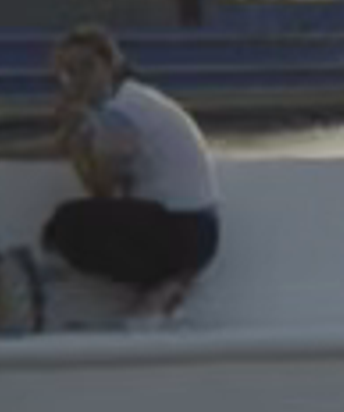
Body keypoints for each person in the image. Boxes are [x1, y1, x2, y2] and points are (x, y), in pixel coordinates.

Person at [38, 28, 221, 315]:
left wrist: (78, 142)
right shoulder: (133, 99)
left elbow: (102, 189)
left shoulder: (120, 112)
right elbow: (57, 147)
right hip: (197, 228)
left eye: (87, 67)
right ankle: (163, 285)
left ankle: (165, 282)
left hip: (180, 229)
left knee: (66, 224)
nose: (78, 79)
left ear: (111, 65)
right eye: (68, 72)